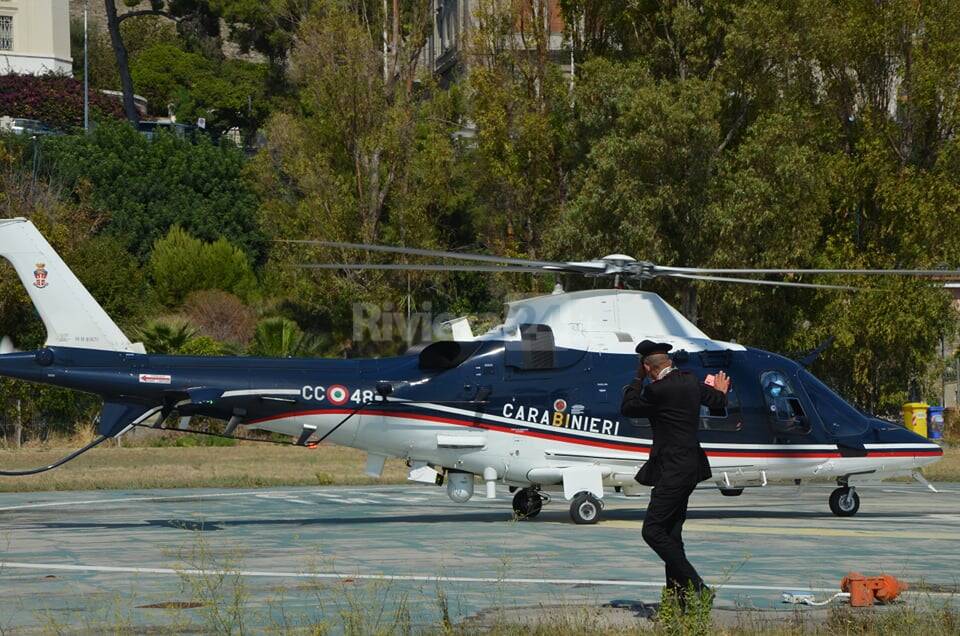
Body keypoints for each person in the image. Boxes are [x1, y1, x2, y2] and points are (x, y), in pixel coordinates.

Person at [620, 340, 730, 609]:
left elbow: (629, 407)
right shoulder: (691, 381)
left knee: (652, 530)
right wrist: (722, 391)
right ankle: (679, 602)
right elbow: (717, 402)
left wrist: (637, 378)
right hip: (691, 467)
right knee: (671, 533)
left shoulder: (657, 390)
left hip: (672, 470)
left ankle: (698, 587)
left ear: (648, 367)